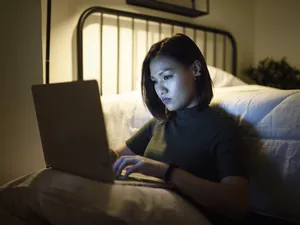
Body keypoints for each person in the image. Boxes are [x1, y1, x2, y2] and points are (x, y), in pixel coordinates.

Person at [109, 33, 249, 224]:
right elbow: (117, 157)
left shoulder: (222, 128)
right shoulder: (159, 122)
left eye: (166, 76)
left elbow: (237, 204)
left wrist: (166, 172)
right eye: (155, 81)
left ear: (196, 69)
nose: (161, 90)